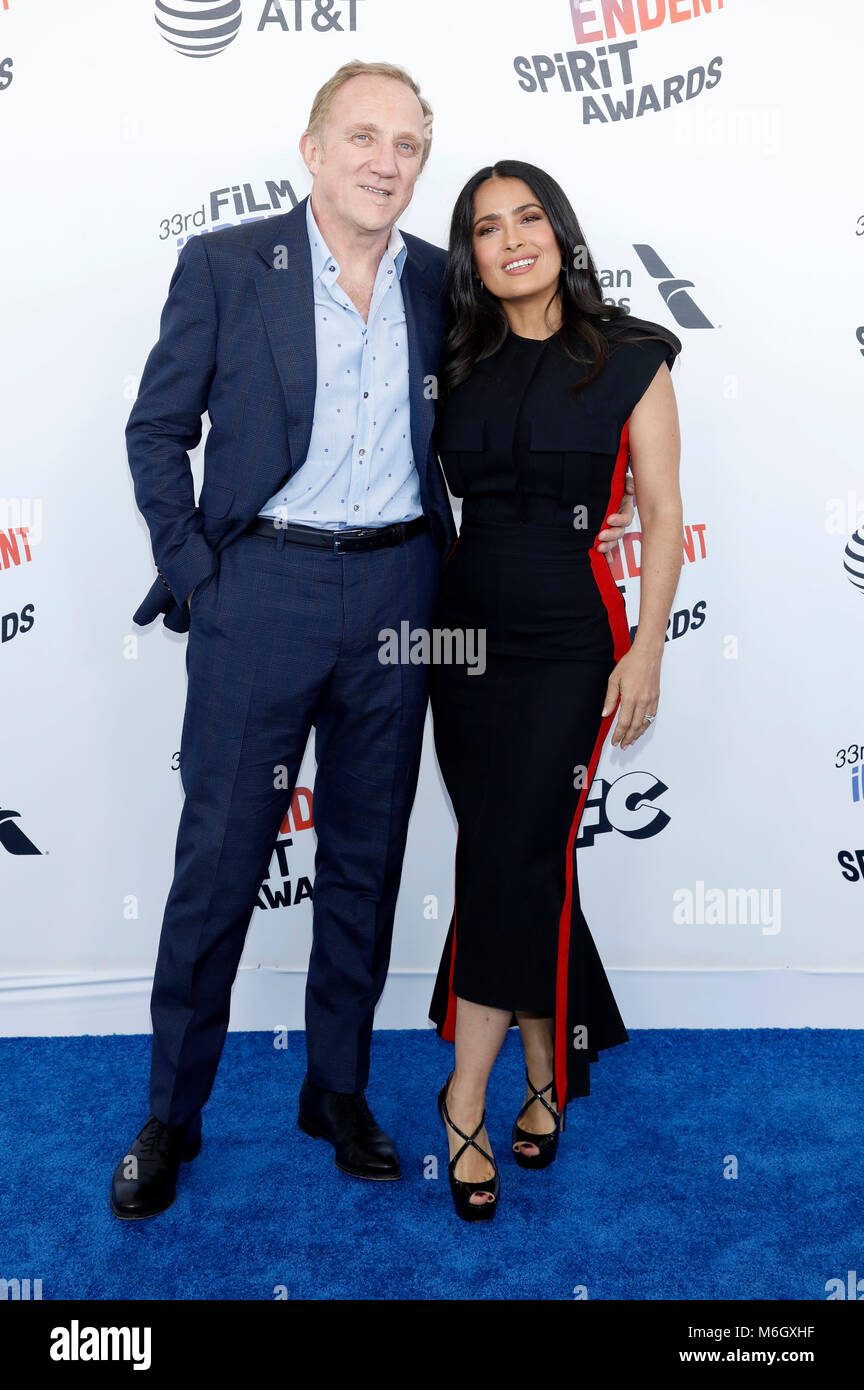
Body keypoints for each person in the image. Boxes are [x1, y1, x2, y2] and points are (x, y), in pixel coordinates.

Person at [111, 62, 634, 1220]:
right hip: (263, 590)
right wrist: (200, 571)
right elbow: (156, 430)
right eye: (362, 137)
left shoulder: (446, 284)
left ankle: (336, 1091)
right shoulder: (226, 265)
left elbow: (556, 350)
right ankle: (171, 1112)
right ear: (312, 148)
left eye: (406, 143)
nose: (385, 161)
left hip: (406, 592)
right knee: (219, 865)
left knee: (364, 859)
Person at [428, 161, 683, 1221]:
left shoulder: (631, 355)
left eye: (528, 217)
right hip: (457, 639)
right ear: (472, 258)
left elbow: (664, 514)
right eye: (487, 229)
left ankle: (465, 1095)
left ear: (560, 233)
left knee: (510, 850)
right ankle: (554, 1069)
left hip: (573, 641)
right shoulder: (454, 355)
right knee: (510, 854)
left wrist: (648, 651)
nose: (511, 239)